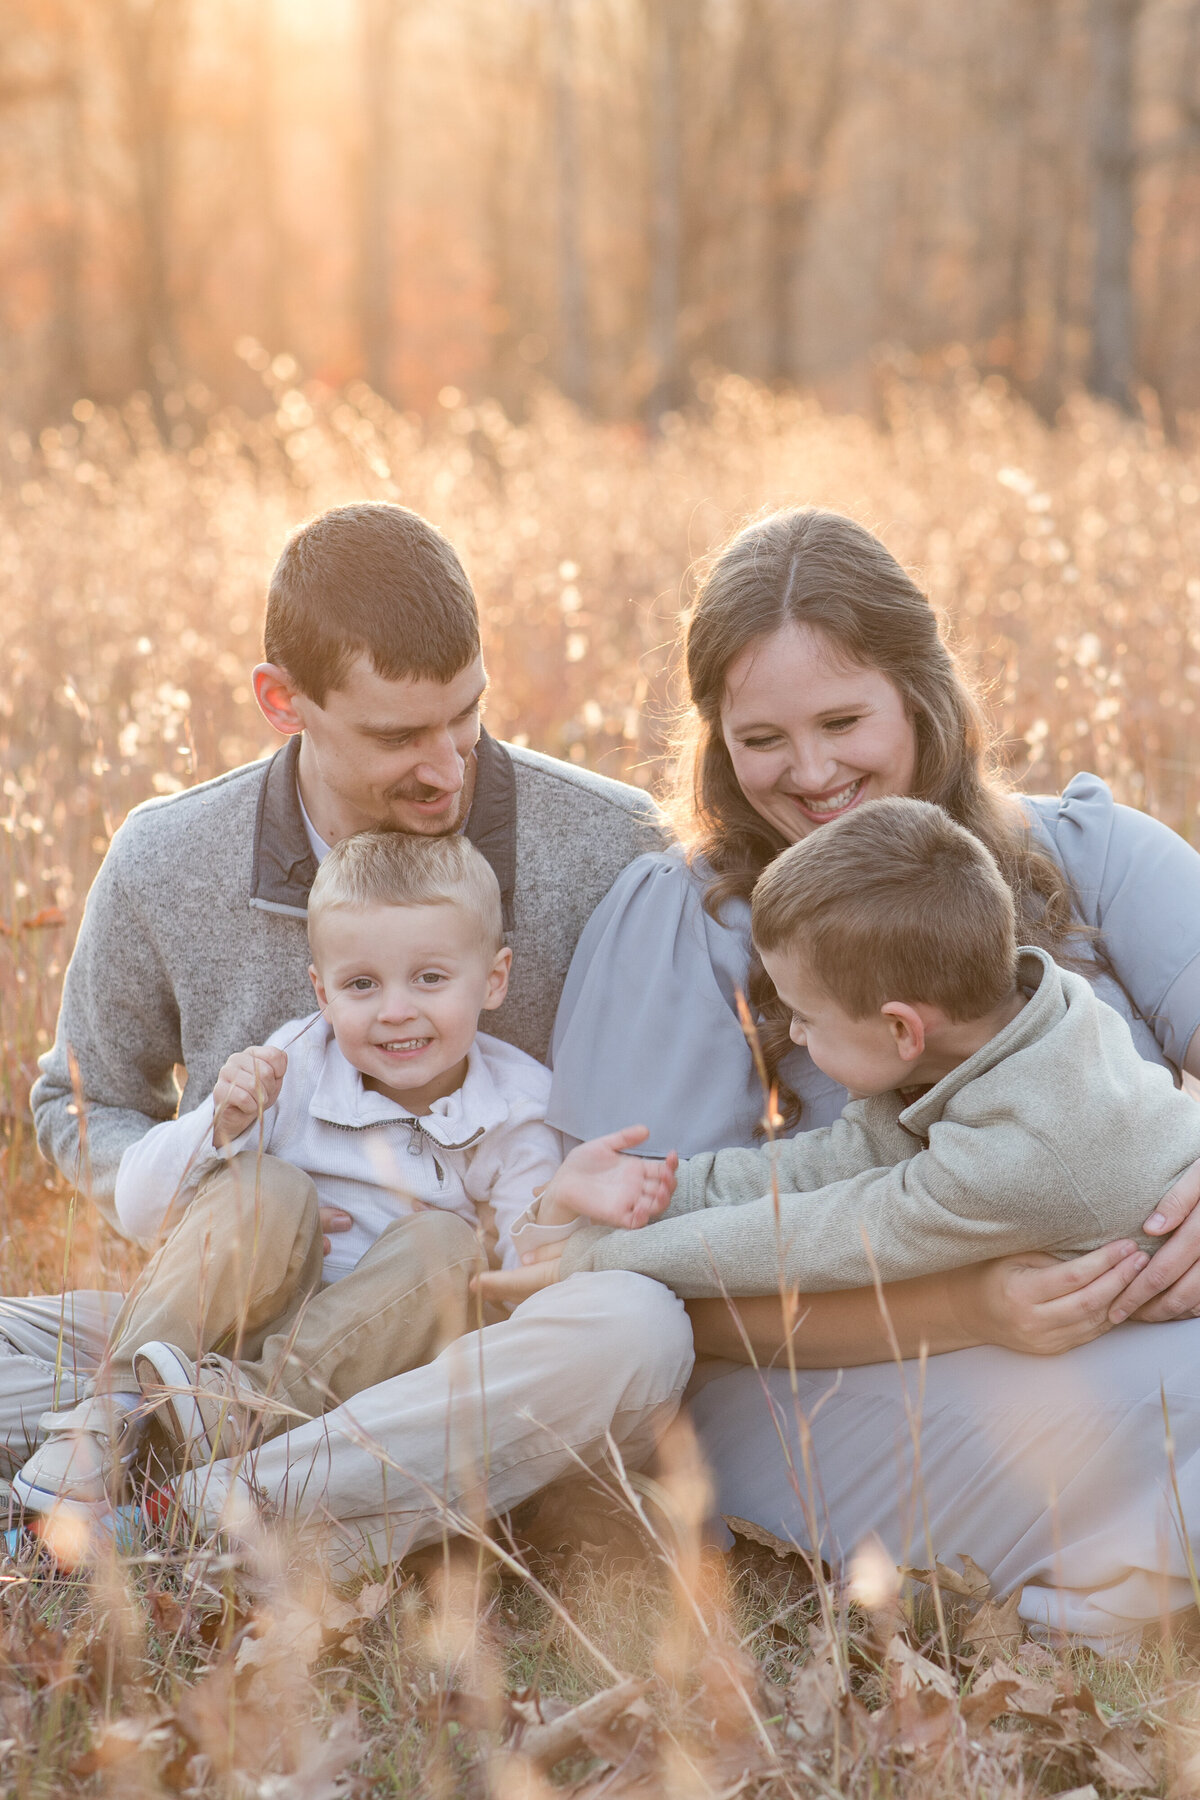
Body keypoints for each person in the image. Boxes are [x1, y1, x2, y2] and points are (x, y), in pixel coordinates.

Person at [545, 506, 1200, 1649]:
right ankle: (1079, 1600)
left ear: (922, 697)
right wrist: (967, 1305)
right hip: (828, 1378)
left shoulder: (1093, 856)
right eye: (761, 739)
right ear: (714, 738)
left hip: (1136, 1319)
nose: (809, 775)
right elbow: (636, 1301)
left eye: (845, 719)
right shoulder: (682, 922)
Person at [5, 502, 692, 1553]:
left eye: (465, 716)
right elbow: (79, 1099)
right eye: (398, 736)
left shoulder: (611, 849)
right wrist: (206, 1200)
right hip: (221, 1314)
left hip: (472, 1329)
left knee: (636, 1335)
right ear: (284, 702)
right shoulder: (164, 859)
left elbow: (667, 1125)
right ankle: (223, 1458)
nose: (449, 766)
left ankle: (176, 1516)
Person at [13, 831, 569, 1518]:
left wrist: (550, 1224)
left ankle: (208, 1425)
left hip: (368, 1359)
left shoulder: (516, 1106)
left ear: (494, 979)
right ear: (322, 991)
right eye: (362, 984)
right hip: (233, 1319)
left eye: (430, 978)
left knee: (451, 1250)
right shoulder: (292, 1066)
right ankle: (114, 1410)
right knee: (268, 1188)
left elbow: (528, 1273)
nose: (395, 1010)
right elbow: (140, 1208)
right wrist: (220, 1122)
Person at [523, 797, 1200, 1294]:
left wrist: (591, 1262)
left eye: (806, 1019)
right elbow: (839, 1160)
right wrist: (653, 1191)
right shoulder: (1041, 1012)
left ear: (903, 1030)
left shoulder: (1022, 1156)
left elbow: (815, 1237)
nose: (792, 1034)